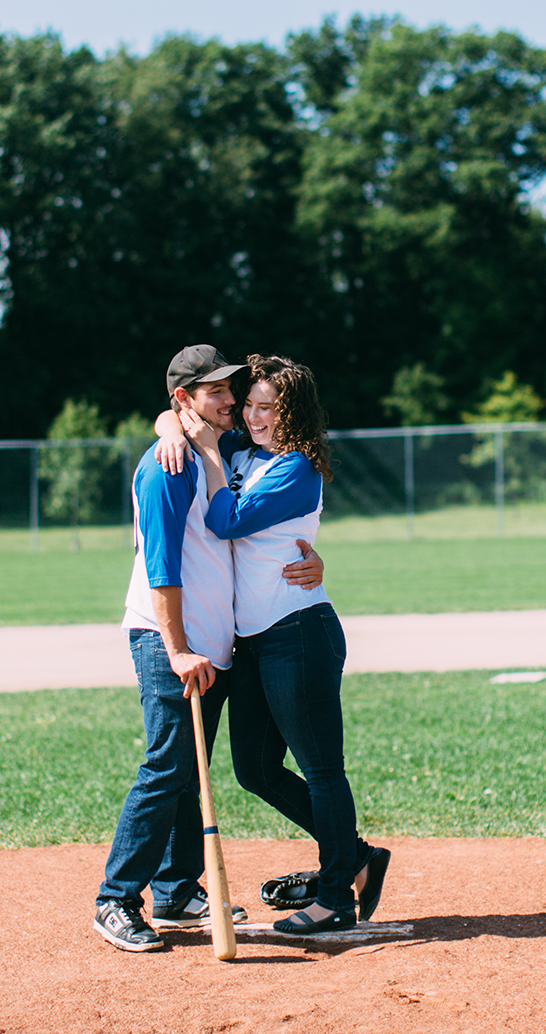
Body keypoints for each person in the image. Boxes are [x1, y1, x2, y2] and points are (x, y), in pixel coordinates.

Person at [93, 344, 324, 954]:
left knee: (191, 772)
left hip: (214, 644)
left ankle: (175, 888)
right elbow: (161, 568)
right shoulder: (168, 465)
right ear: (185, 401)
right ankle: (116, 899)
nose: (229, 402)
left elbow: (261, 523)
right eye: (216, 393)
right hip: (174, 638)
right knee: (168, 765)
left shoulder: (215, 450)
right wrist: (176, 649)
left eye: (232, 390)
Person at [162, 354, 390, 934]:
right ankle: (357, 855)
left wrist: (211, 457)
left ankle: (336, 894)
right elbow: (187, 421)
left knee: (320, 769)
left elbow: (227, 520)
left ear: (295, 414)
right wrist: (170, 426)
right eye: (253, 406)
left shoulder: (298, 468)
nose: (256, 417)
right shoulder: (243, 451)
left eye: (271, 408)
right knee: (256, 769)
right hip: (254, 643)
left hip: (299, 633)